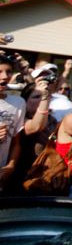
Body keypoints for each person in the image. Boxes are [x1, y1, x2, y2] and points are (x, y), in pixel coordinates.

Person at [0, 53, 25, 192]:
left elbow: (16, 142)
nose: (5, 76)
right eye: (0, 72)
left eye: (8, 71)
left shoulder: (18, 103)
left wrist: (11, 166)